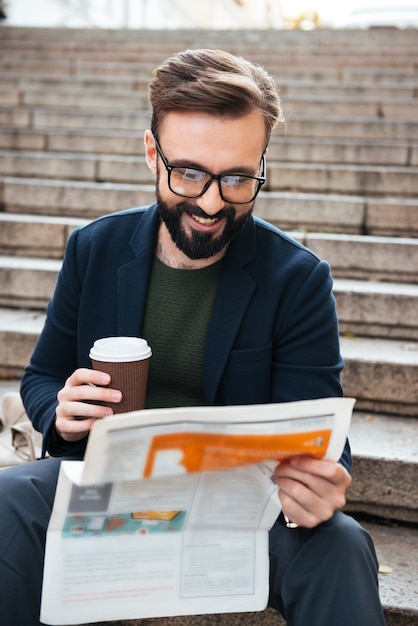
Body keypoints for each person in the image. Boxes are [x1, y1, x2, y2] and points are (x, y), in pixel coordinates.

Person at [0, 48, 385, 626]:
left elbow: (320, 428)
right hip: (109, 489)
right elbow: (43, 376)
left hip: (241, 507)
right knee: (8, 500)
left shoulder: (298, 277)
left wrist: (323, 484)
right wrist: (59, 408)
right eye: (189, 173)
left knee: (342, 542)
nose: (211, 203)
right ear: (152, 152)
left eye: (236, 178)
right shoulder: (94, 249)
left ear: (261, 162)